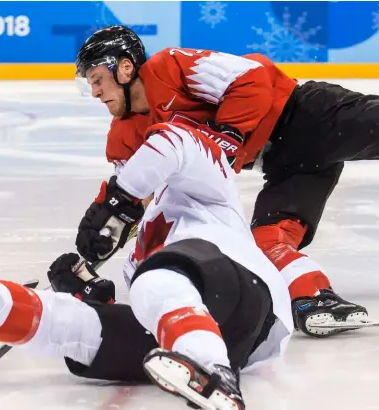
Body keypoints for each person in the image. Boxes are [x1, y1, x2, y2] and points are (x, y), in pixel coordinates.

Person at [0, 122, 292, 410]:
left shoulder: (208, 186)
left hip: (253, 304)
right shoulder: (136, 259)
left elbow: (173, 142)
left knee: (156, 278)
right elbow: (153, 310)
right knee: (72, 326)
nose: (122, 168)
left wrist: (120, 199)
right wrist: (93, 295)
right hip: (230, 345)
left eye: (127, 164)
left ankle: (211, 370)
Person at [73, 25, 379, 338]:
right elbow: (136, 201)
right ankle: (315, 300)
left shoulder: (169, 67)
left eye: (96, 79)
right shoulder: (123, 138)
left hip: (306, 115)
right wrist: (100, 241)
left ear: (124, 68)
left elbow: (251, 77)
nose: (95, 92)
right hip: (286, 166)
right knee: (268, 242)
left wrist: (229, 132)